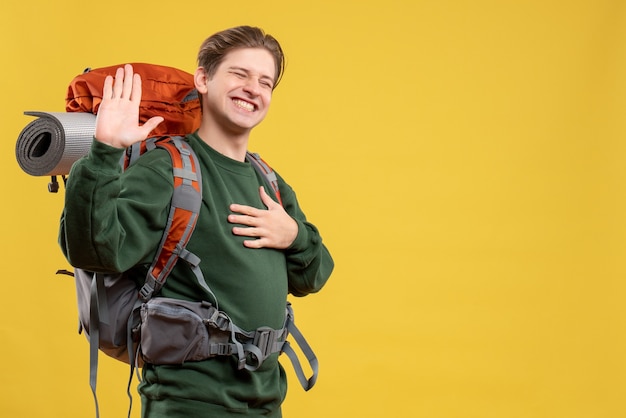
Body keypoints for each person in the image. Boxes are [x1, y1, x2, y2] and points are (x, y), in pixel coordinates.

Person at [59, 26, 334, 417]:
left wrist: (294, 236)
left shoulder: (269, 181)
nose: (253, 88)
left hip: (267, 401)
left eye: (265, 81)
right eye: (239, 74)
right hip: (189, 403)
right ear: (203, 79)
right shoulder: (168, 169)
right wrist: (105, 152)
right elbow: (98, 251)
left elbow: (315, 275)